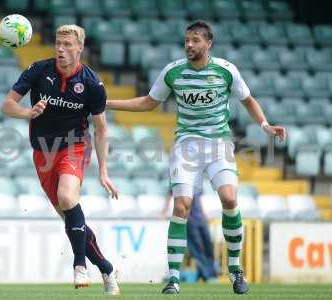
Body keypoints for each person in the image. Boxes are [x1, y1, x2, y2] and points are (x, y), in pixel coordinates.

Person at [107, 20, 286, 295]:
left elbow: (248, 100)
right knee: (181, 207)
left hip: (219, 146)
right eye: (187, 40)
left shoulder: (226, 71)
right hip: (186, 146)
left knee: (229, 199)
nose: (189, 45)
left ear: (208, 43)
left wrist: (265, 126)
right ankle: (174, 278)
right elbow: (148, 102)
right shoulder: (174, 71)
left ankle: (236, 270)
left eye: (195, 40)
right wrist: (106, 102)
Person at [1, 24, 120, 295]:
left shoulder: (92, 83)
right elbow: (7, 105)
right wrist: (28, 113)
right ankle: (107, 267)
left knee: (67, 198)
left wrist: (103, 171)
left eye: (67, 45)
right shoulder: (38, 70)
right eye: (58, 43)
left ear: (80, 48)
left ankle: (79, 265)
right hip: (43, 153)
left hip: (75, 146)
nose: (61, 49)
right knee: (71, 220)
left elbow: (101, 129)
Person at [161, 191, 218, 283]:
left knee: (208, 247)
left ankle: (206, 273)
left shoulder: (197, 179)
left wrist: (204, 214)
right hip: (189, 220)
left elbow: (198, 200)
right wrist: (164, 211)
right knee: (197, 249)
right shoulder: (179, 178)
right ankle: (208, 275)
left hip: (200, 219)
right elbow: (170, 194)